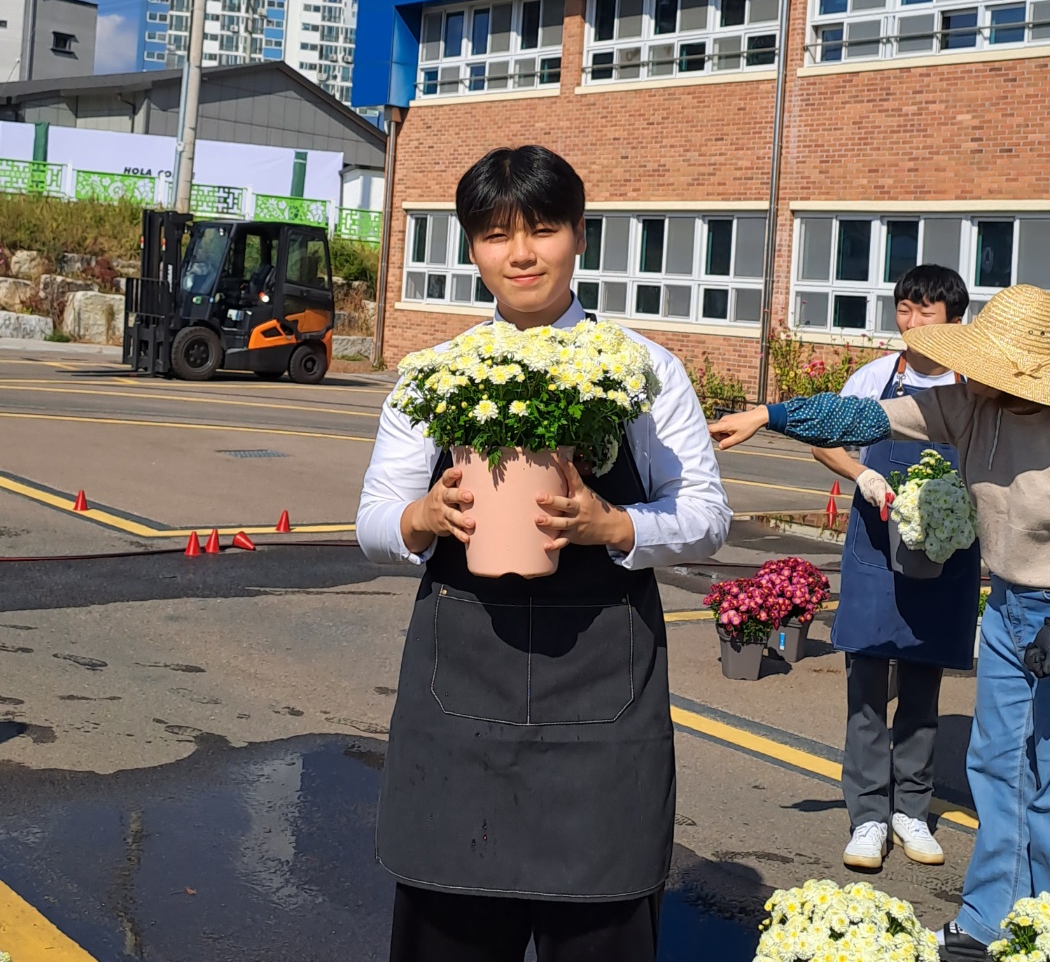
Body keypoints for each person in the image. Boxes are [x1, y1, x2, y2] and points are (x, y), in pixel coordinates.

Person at [357, 145, 732, 962]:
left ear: (580, 236)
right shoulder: (436, 374)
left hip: (604, 696)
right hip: (459, 689)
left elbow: (706, 517)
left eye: (543, 229)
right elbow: (374, 521)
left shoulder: (643, 370)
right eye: (496, 235)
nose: (521, 254)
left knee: (600, 931)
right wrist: (423, 516)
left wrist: (613, 525)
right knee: (446, 934)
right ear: (471, 249)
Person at [710, 284, 1050, 962]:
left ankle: (1031, 922)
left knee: (1040, 775)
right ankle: (992, 922)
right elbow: (861, 415)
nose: (972, 371)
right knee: (998, 768)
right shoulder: (970, 408)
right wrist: (771, 414)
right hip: (1009, 611)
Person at [809, 265, 979, 873]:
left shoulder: (974, 387)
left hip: (947, 550)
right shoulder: (874, 378)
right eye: (904, 308)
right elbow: (825, 437)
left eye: (925, 310)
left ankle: (911, 808)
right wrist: (863, 474)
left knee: (924, 680)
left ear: (955, 319)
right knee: (866, 677)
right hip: (875, 545)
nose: (911, 321)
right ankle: (867, 816)